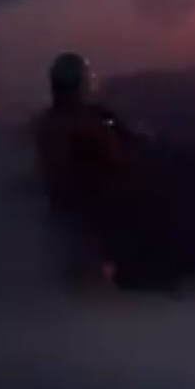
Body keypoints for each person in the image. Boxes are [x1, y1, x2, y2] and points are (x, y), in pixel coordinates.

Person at [32, 52, 140, 290]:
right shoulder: (87, 123)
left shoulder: (46, 123)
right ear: (81, 82)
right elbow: (119, 160)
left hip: (63, 216)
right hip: (93, 217)